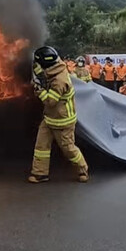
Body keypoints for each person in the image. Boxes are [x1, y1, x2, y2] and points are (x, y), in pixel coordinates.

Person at [29, 46, 88, 184]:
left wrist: (39, 90)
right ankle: (40, 174)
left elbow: (51, 101)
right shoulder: (55, 67)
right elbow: (41, 71)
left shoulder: (60, 81)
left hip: (63, 121)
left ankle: (82, 169)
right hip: (49, 118)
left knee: (68, 148)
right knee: (41, 147)